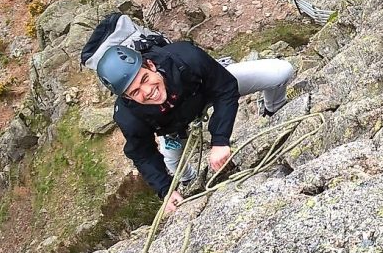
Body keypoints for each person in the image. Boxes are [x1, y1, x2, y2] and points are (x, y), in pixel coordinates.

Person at [95, 43, 294, 213]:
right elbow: (142, 153)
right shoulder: (129, 116)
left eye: (144, 79)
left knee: (281, 71)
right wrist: (165, 189)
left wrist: (220, 139)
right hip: (172, 127)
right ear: (127, 97)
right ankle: (190, 180)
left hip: (207, 92)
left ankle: (273, 109)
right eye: (136, 91)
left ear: (150, 64)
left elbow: (225, 88)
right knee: (174, 163)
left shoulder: (185, 57)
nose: (148, 92)